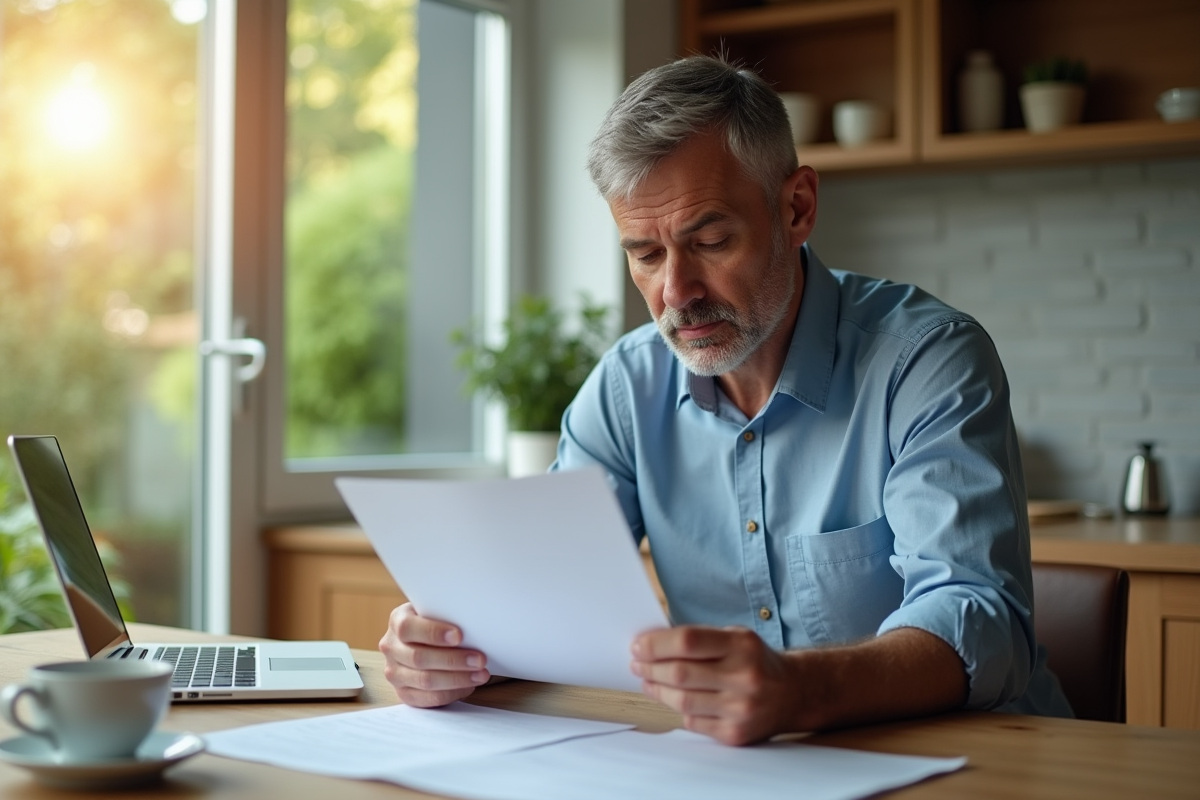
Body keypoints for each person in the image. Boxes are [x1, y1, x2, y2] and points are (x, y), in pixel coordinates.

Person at [379, 55, 1072, 745]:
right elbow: (543, 602)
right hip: (739, 771)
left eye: (709, 241)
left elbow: (980, 617)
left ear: (796, 208)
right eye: (645, 256)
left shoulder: (927, 360)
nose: (676, 292)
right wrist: (450, 650)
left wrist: (798, 690)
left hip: (972, 759)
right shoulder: (627, 388)